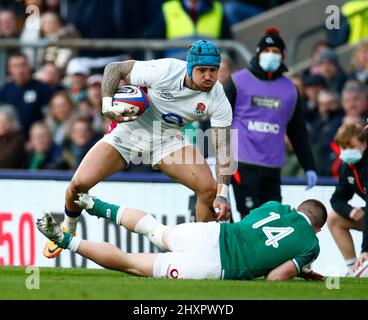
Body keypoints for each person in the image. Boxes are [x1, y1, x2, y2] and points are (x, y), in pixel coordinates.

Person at [43, 40, 234, 258]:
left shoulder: (218, 98)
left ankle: (201, 253)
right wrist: (107, 106)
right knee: (77, 185)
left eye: (213, 70)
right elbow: (114, 69)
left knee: (209, 189)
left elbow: (224, 149)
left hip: (167, 139)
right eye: (202, 70)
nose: (208, 76)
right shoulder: (166, 70)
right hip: (129, 132)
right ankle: (68, 226)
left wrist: (223, 194)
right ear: (189, 68)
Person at [37, 193, 326, 281]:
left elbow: (254, 228)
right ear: (318, 229)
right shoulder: (311, 244)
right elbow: (276, 278)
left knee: (156, 230)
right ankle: (64, 240)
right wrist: (302, 270)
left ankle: (96, 205)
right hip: (217, 265)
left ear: (299, 208)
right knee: (130, 263)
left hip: (210, 233)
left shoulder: (275, 206)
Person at [224, 26, 318, 218]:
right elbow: (219, 122)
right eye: (266, 51)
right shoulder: (237, 82)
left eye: (275, 51)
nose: (271, 55)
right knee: (249, 218)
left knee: (272, 219)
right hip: (243, 165)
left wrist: (309, 166)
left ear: (282, 57)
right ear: (258, 53)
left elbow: (297, 132)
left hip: (272, 169)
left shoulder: (290, 90)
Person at [328, 123, 368, 276]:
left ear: (363, 144)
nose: (346, 152)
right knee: (334, 218)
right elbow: (337, 199)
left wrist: (366, 250)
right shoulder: (345, 167)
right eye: (343, 148)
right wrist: (349, 210)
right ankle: (353, 269)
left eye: (351, 146)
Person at [0, 52, 53, 136]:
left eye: (23, 65)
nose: (20, 70)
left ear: (29, 66)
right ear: (10, 69)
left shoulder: (43, 89)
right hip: (11, 141)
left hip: (36, 141)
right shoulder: (5, 90)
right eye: (16, 66)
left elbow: (49, 117)